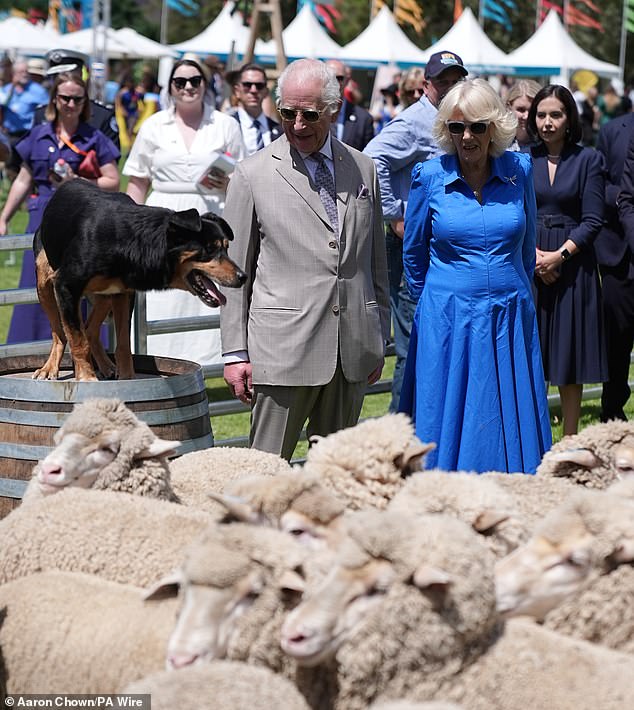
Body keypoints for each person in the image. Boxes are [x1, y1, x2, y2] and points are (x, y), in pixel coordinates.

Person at [220, 58, 389, 461]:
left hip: (352, 351)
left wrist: (377, 332)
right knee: (263, 475)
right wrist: (234, 354)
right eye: (288, 113)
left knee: (336, 478)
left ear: (334, 110)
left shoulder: (363, 169)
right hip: (281, 354)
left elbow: (375, 260)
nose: (298, 125)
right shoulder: (251, 175)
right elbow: (233, 274)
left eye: (310, 114)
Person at [399, 78, 551, 474]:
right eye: (456, 127)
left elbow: (528, 238)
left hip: (509, 314)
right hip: (447, 318)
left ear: (494, 128)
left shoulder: (519, 170)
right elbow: (413, 250)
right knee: (445, 412)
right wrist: (432, 304)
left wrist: (517, 292)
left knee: (507, 415)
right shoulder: (428, 176)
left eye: (477, 126)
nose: (466, 136)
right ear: (445, 130)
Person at [123, 55, 245, 367]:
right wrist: (128, 229)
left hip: (211, 217)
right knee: (165, 295)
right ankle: (161, 363)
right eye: (181, 82)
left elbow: (244, 180)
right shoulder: (153, 126)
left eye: (195, 81)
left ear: (205, 85)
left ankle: (211, 365)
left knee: (209, 291)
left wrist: (228, 180)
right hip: (163, 219)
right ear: (170, 87)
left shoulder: (226, 125)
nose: (188, 87)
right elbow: (137, 182)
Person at [364, 49, 467, 413]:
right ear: (427, 85)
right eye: (444, 81)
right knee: (415, 341)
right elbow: (373, 158)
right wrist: (395, 214)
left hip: (444, 243)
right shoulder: (415, 122)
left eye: (457, 80)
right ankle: (402, 428)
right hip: (414, 245)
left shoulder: (455, 119)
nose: (451, 86)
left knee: (435, 337)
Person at [0, 71, 120, 344]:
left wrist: (78, 181)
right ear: (55, 99)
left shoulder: (94, 137)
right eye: (65, 97)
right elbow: (23, 179)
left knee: (81, 286)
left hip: (82, 221)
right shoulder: (39, 135)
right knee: (38, 287)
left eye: (77, 99)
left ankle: (87, 354)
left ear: (84, 102)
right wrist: (4, 216)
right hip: (41, 216)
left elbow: (113, 181)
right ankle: (31, 352)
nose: (71, 104)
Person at [527, 84, 607, 435]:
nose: (547, 122)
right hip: (530, 263)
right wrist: (534, 258)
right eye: (541, 114)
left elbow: (593, 219)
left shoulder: (588, 159)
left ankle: (571, 439)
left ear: (569, 118)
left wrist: (558, 257)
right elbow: (515, 213)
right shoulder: (522, 159)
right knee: (533, 353)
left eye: (555, 115)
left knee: (568, 355)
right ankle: (533, 438)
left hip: (572, 268)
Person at [33, 49, 120, 150]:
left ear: (81, 76)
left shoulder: (101, 115)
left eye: (66, 77)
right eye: (54, 78)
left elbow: (112, 157)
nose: (59, 83)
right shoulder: (41, 114)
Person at [606, 125, 634, 420]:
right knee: (616, 345)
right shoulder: (615, 130)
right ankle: (613, 414)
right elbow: (625, 197)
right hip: (620, 255)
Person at [0, 59, 49, 179]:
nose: (25, 74)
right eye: (21, 71)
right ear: (14, 73)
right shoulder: (7, 90)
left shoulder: (37, 90)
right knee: (11, 165)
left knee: (28, 166)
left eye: (26, 71)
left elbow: (47, 110)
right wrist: (13, 87)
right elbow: (4, 103)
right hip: (11, 135)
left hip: (29, 134)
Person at [228, 63, 282, 156]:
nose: (253, 90)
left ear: (266, 91)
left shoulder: (279, 131)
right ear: (237, 91)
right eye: (247, 85)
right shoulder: (227, 125)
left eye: (259, 85)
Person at [325, 59, 374, 151]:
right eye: (330, 77)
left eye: (339, 78)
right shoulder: (310, 114)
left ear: (347, 80)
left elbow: (369, 157)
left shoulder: (364, 119)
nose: (334, 82)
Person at [506, 79, 541, 151]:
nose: (527, 116)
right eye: (521, 110)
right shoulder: (498, 144)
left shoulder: (547, 145)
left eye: (533, 110)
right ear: (509, 107)